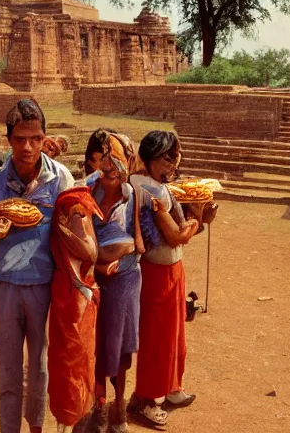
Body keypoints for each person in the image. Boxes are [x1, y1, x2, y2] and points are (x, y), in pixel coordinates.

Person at [0, 99, 74, 433]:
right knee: (8, 371)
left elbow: (73, 232)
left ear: (44, 137)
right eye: (20, 139)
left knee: (40, 368)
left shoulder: (61, 180)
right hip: (4, 285)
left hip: (44, 286)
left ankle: (36, 428)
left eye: (35, 138)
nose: (28, 147)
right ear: (8, 140)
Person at [127, 131, 206, 427]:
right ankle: (147, 398)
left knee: (174, 334)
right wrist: (196, 219)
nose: (173, 164)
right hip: (157, 272)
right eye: (166, 158)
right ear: (149, 159)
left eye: (175, 157)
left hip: (170, 270)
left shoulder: (151, 183)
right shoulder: (151, 189)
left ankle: (171, 387)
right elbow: (174, 236)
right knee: (158, 337)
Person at [82, 131, 143, 433]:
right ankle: (98, 406)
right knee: (94, 347)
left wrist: (126, 256)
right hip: (92, 283)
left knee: (119, 351)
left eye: (115, 170)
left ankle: (118, 407)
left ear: (128, 165)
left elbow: (146, 242)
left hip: (123, 283)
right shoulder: (85, 194)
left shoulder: (135, 199)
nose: (109, 176)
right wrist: (97, 265)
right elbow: (73, 238)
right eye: (103, 170)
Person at [47, 186, 103, 432]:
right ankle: (67, 423)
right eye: (79, 216)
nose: (84, 219)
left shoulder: (72, 215)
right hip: (72, 302)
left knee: (81, 363)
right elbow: (90, 252)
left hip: (79, 299)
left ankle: (75, 421)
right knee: (69, 367)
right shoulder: (71, 217)